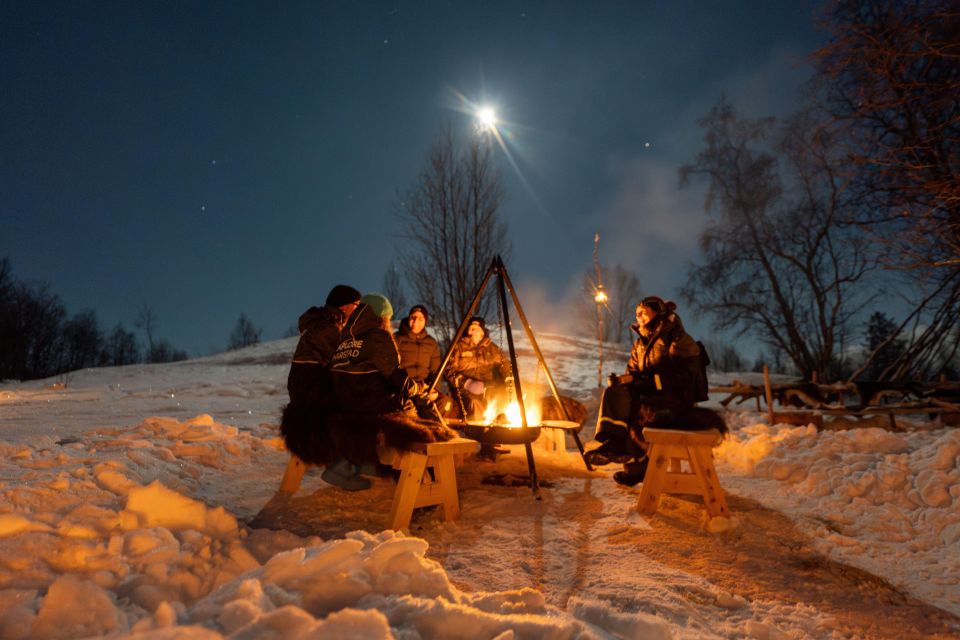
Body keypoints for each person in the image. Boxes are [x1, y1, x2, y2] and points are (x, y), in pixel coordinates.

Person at [586, 296, 709, 486]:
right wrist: (623, 381)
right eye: (637, 313)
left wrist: (645, 380)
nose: (639, 316)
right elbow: (633, 374)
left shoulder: (677, 338)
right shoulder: (640, 345)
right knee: (615, 393)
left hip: (677, 399)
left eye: (643, 311)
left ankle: (638, 468)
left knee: (640, 412)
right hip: (652, 396)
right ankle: (614, 443)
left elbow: (686, 377)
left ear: (658, 311)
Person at [328, 293, 454, 468]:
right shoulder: (379, 337)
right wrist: (419, 389)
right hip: (376, 409)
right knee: (425, 419)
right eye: (388, 317)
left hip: (349, 408)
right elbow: (398, 380)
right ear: (382, 317)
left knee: (419, 402)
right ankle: (429, 468)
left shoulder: (345, 339)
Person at [281, 284, 369, 491]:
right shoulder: (327, 330)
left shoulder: (326, 325)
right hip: (311, 396)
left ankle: (352, 465)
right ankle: (342, 467)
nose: (358, 310)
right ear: (345, 306)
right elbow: (343, 365)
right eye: (357, 305)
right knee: (363, 409)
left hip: (311, 392)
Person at [445, 316, 511, 459]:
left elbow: (505, 364)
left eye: (477, 328)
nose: (474, 330)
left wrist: (508, 376)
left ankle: (494, 442)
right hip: (464, 389)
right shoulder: (458, 346)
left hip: (488, 387)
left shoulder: (491, 347)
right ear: (467, 330)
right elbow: (447, 370)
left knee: (499, 401)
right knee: (476, 404)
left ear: (482, 331)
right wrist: (467, 383)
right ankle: (484, 445)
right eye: (471, 327)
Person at [394, 304, 442, 418]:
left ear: (425, 321)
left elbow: (436, 370)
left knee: (442, 409)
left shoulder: (431, 342)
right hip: (404, 388)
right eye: (413, 317)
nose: (416, 321)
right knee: (410, 417)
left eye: (421, 318)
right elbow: (392, 367)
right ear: (408, 318)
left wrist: (433, 388)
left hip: (425, 389)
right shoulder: (396, 339)